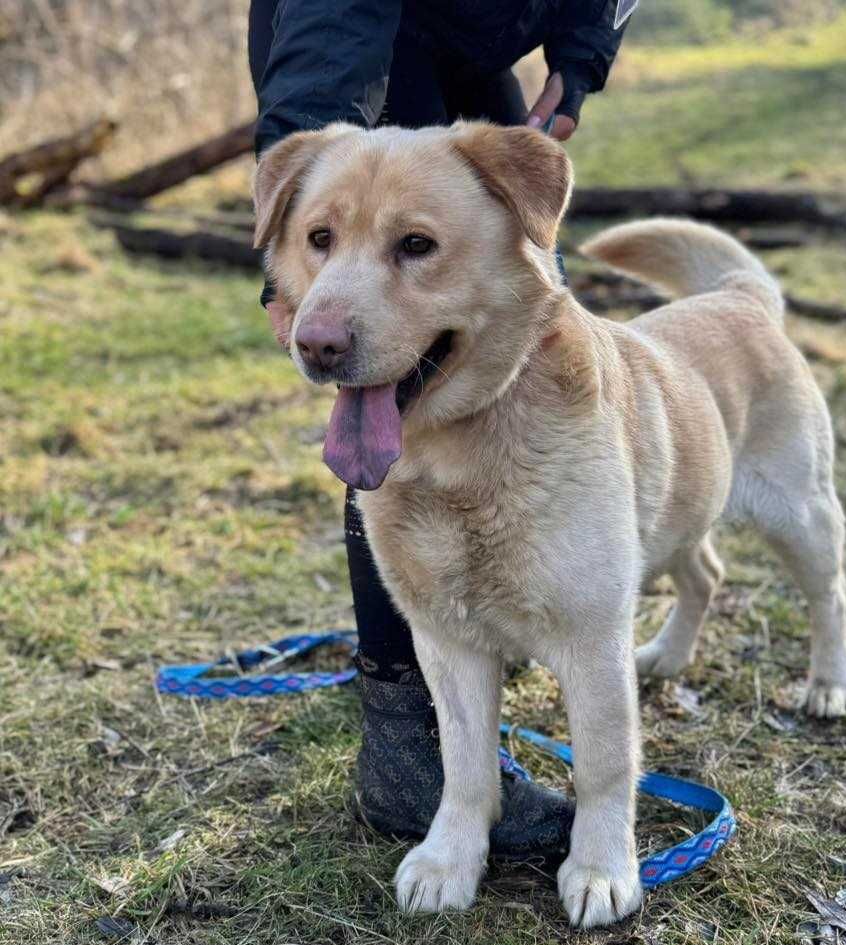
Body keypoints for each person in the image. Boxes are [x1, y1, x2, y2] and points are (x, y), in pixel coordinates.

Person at [248, 0, 630, 861]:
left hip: (480, 36)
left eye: (412, 246)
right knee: (385, 333)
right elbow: (326, 36)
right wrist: (305, 199)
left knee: (525, 292)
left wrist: (579, 57)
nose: (323, 320)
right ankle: (407, 735)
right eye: (317, 244)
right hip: (347, 44)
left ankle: (540, 594)